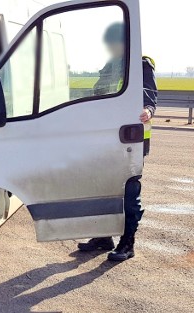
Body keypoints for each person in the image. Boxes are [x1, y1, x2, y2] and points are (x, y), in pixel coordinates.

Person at [78, 23, 158, 261]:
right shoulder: (110, 66)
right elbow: (98, 93)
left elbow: (150, 95)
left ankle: (127, 243)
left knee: (129, 192)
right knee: (102, 189)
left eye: (114, 43)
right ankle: (103, 237)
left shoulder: (142, 65)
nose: (111, 48)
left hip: (130, 141)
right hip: (106, 138)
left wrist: (148, 111)